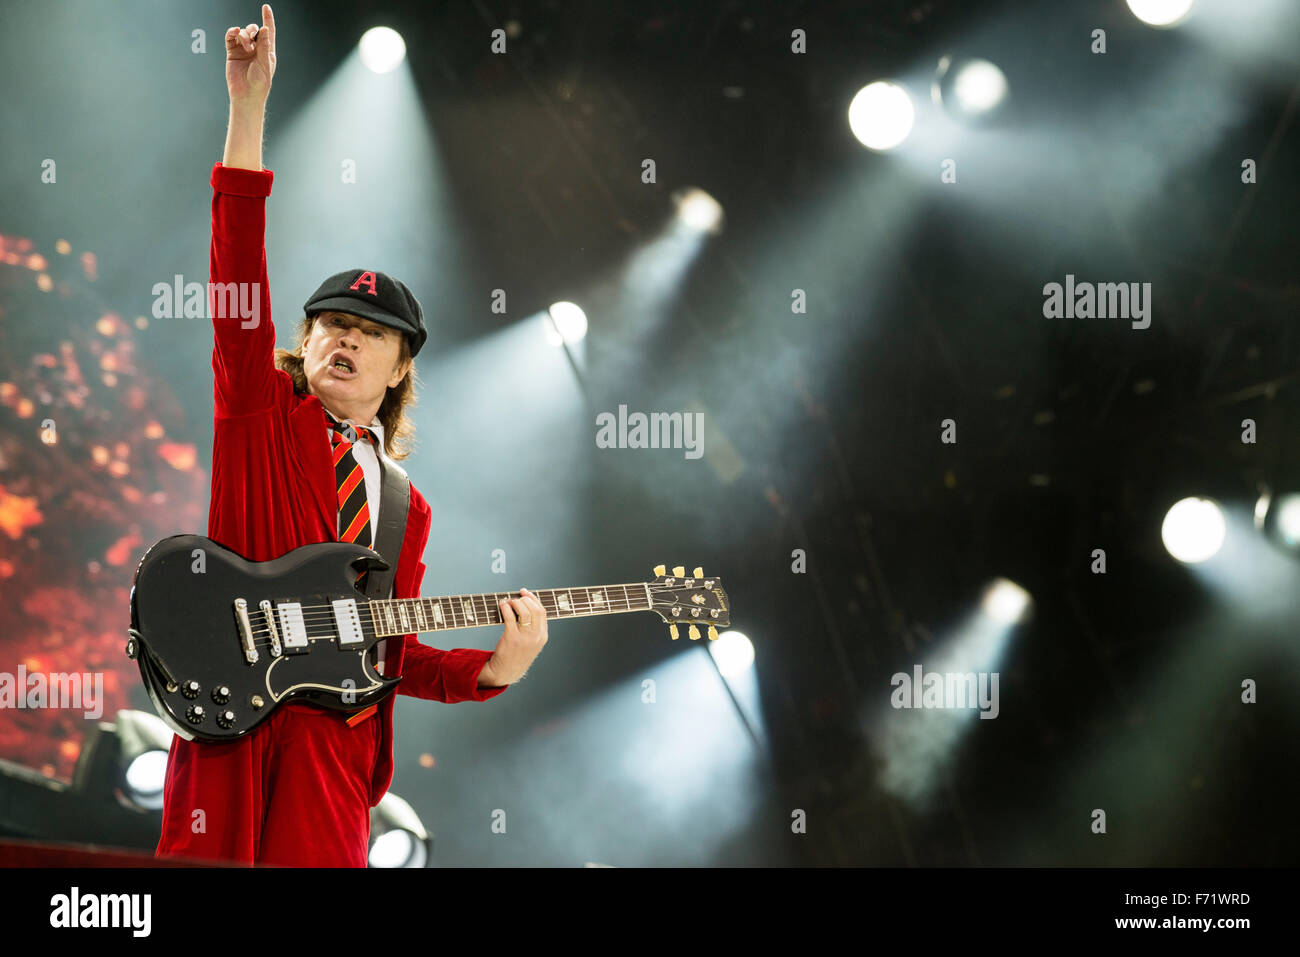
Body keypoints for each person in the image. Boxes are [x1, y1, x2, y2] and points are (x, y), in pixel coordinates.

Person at [155, 3, 549, 867]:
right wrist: (249, 106)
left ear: (400, 365)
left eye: (366, 331)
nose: (342, 336)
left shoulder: (411, 509)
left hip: (334, 754)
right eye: (329, 321)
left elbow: (392, 651)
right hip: (232, 722)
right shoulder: (258, 415)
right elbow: (237, 274)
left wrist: (497, 669)